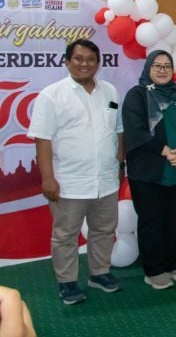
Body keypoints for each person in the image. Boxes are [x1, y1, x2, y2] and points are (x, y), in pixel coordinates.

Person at [28, 39, 124, 304]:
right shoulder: (51, 95)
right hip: (69, 181)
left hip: (105, 179)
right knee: (65, 235)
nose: (85, 64)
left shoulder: (111, 92)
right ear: (67, 61)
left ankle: (100, 273)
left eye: (91, 59)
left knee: (104, 230)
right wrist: (48, 179)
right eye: (79, 59)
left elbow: (117, 129)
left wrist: (119, 163)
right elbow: (42, 140)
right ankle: (67, 281)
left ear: (98, 63)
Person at [123, 50, 176, 290]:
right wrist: (167, 151)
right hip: (148, 170)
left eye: (167, 65)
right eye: (157, 65)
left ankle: (171, 264)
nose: (163, 70)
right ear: (148, 68)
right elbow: (136, 131)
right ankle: (153, 270)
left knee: (172, 219)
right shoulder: (136, 95)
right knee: (151, 220)